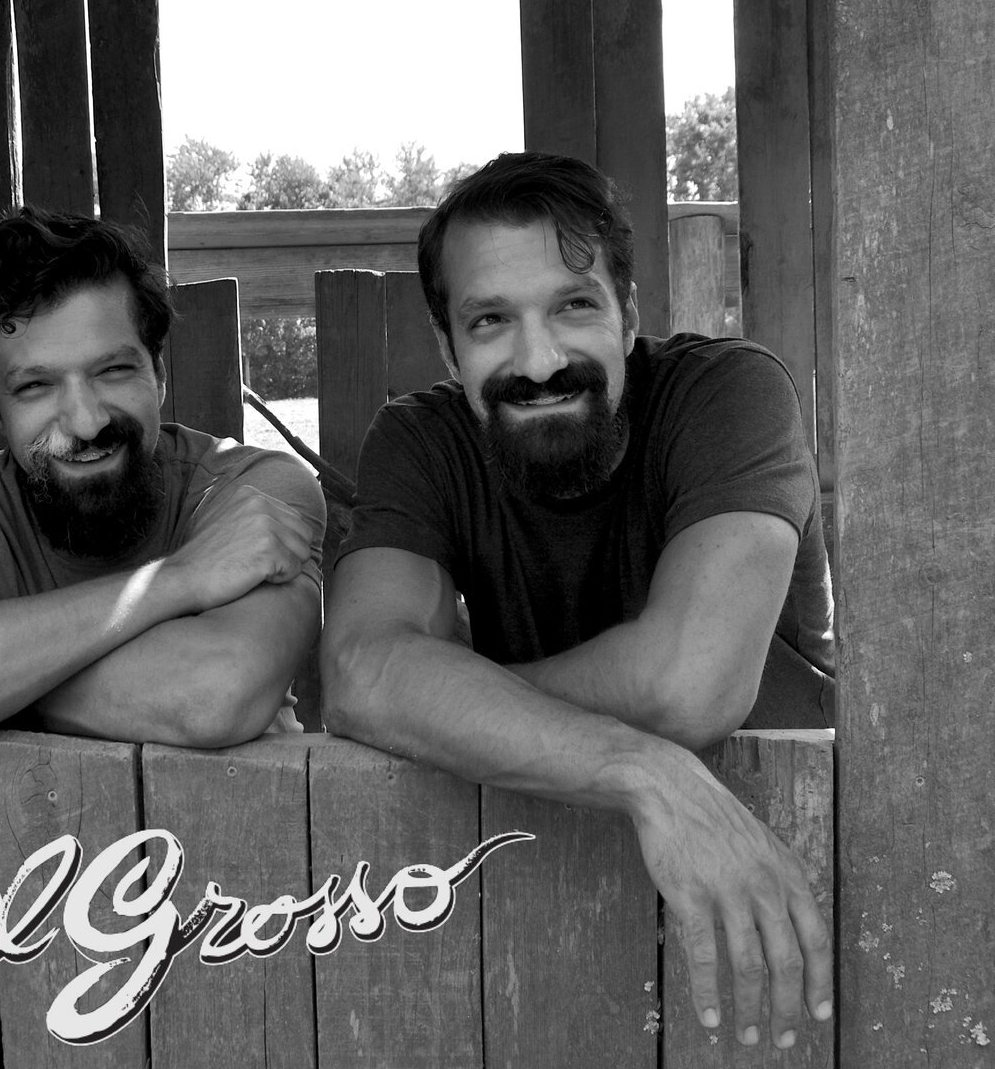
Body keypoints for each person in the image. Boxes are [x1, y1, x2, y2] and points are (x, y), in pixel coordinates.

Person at [321, 152, 836, 1052]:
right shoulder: (422, 438)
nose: (541, 359)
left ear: (629, 314)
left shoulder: (733, 392)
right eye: (491, 322)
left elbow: (689, 684)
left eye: (574, 305)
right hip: (533, 909)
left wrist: (455, 698)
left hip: (794, 889)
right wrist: (646, 770)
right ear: (449, 349)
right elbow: (362, 676)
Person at [0, 208, 324, 761]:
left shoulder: (252, 493)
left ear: (159, 374)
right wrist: (180, 579)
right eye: (37, 386)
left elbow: (213, 693)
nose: (86, 421)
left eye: (113, 371)